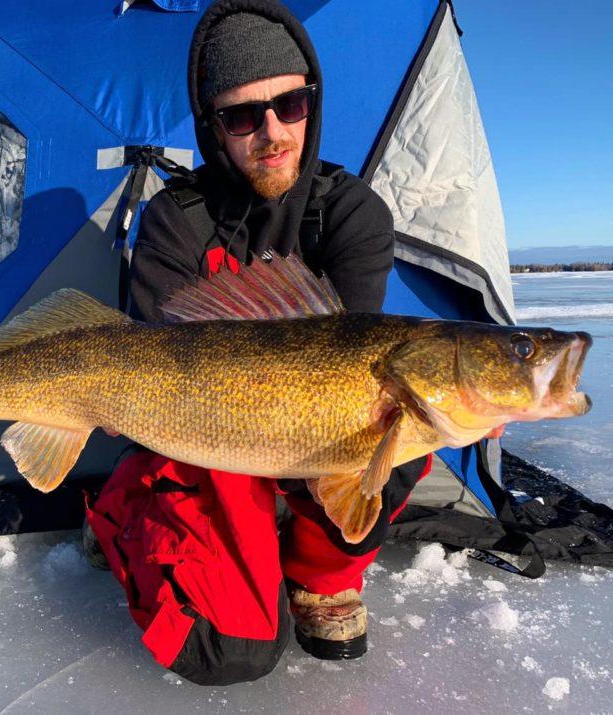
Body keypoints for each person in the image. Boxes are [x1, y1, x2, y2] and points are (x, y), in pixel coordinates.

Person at [83, 0, 430, 686]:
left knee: (406, 435)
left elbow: (346, 375)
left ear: (312, 101)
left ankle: (320, 578)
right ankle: (121, 519)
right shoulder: (174, 221)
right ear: (213, 127)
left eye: (290, 105)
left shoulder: (352, 211)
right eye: (241, 116)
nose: (270, 132)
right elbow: (162, 382)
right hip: (204, 434)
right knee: (228, 646)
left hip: (306, 429)